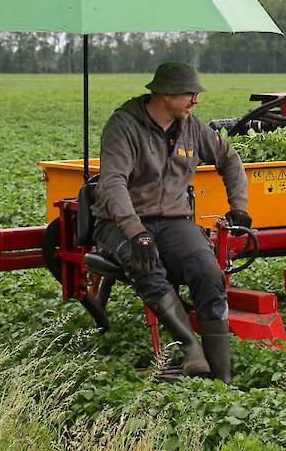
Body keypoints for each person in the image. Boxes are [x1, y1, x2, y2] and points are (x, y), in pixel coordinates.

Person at [91, 61, 251, 381]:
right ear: (166, 94)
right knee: (147, 268)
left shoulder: (192, 127)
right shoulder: (124, 126)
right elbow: (113, 185)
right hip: (121, 221)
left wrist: (239, 206)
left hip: (174, 220)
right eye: (190, 94)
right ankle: (192, 350)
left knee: (208, 272)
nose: (196, 100)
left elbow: (230, 160)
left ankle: (222, 377)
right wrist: (136, 233)